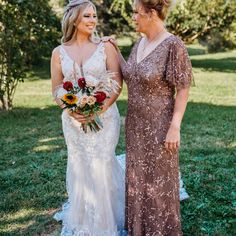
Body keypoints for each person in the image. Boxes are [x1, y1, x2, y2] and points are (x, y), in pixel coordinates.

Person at [109, 0, 193, 235]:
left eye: (136, 12)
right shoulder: (139, 43)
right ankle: (139, 229)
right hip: (135, 126)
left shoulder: (173, 45)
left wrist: (175, 126)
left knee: (158, 181)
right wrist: (115, 50)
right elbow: (131, 75)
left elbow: (183, 88)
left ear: (152, 13)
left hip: (160, 127)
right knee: (138, 178)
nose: (133, 17)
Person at [50, 0, 125, 235]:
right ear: (74, 19)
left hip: (105, 117)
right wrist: (72, 110)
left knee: (101, 163)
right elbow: (56, 89)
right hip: (73, 122)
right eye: (87, 16)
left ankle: (105, 224)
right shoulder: (58, 53)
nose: (93, 20)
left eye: (94, 16)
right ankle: (83, 220)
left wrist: (97, 110)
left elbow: (116, 83)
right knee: (79, 163)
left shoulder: (106, 47)